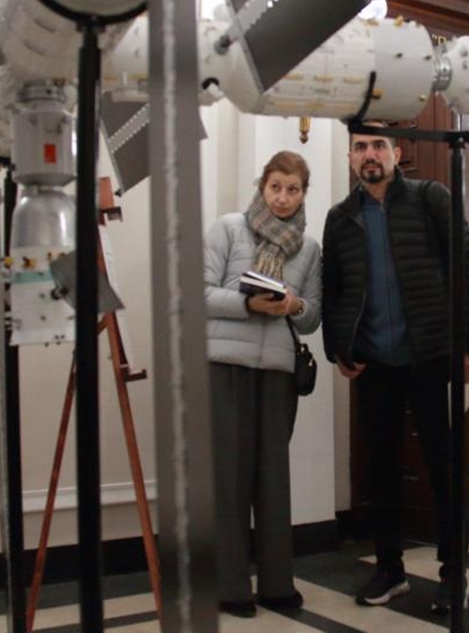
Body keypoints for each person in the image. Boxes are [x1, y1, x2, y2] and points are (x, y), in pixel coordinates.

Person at [322, 122, 469, 613]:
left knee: (444, 467)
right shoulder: (339, 217)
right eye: (359, 148)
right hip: (376, 363)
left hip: (433, 355)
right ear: (350, 157)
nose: (369, 155)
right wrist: (338, 347)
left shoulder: (430, 198)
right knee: (381, 471)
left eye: (377, 146)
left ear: (396, 152)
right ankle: (389, 570)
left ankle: (454, 576)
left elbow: (467, 264)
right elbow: (334, 289)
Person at [203, 151, 322, 617]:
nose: (283, 197)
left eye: (293, 189)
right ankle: (230, 588)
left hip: (277, 373)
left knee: (273, 479)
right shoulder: (229, 228)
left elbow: (312, 315)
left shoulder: (310, 248)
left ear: (303, 192)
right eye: (275, 186)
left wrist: (291, 306)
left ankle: (277, 584)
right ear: (262, 186)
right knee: (229, 478)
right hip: (225, 366)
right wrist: (250, 305)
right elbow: (200, 290)